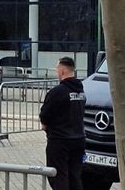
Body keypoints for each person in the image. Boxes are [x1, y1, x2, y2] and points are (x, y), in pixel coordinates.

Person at [40, 57, 85, 190]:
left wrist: (45, 125)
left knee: (59, 177)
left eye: (57, 68)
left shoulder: (57, 92)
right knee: (75, 176)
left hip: (60, 141)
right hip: (79, 140)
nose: (56, 71)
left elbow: (45, 115)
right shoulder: (81, 91)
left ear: (62, 71)